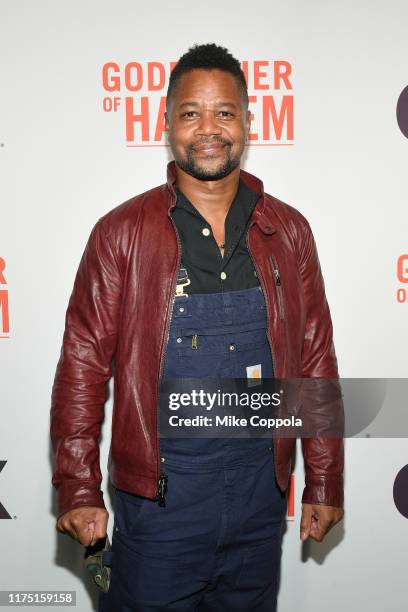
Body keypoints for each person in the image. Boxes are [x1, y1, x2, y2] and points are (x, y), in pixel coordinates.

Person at [50, 43, 344, 611]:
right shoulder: (121, 234)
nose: (208, 129)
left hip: (262, 503)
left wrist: (324, 480)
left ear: (248, 123)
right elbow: (82, 366)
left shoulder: (289, 232)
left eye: (225, 113)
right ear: (166, 123)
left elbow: (315, 360)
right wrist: (78, 486)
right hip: (160, 510)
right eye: (191, 113)